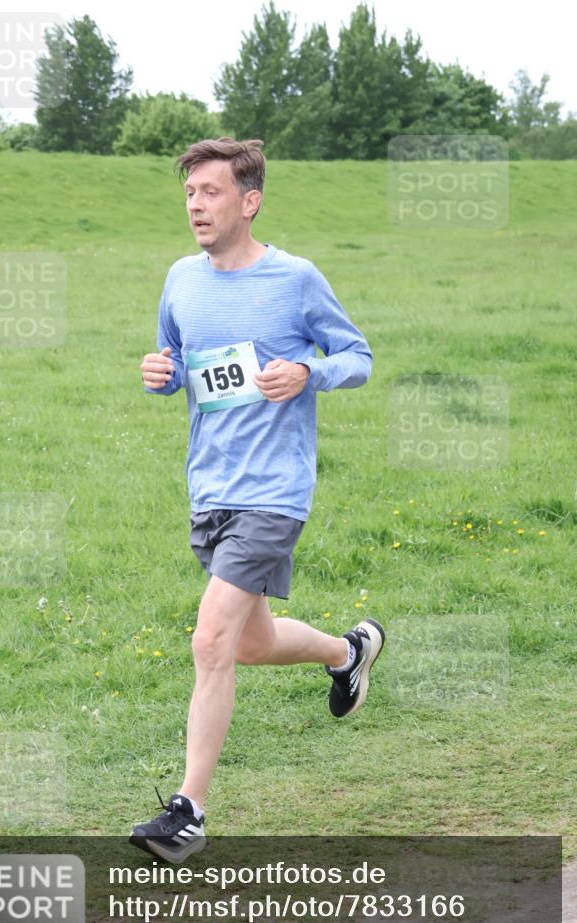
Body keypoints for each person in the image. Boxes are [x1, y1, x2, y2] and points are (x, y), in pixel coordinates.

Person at [129, 137, 385, 864]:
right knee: (249, 643)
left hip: (274, 492)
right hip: (209, 486)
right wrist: (161, 372)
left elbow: (357, 358)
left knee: (210, 641)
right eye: (188, 195)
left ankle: (188, 812)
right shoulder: (180, 279)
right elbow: (177, 363)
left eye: (210, 193)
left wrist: (308, 372)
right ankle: (347, 652)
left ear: (249, 200)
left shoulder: (296, 279)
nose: (195, 207)